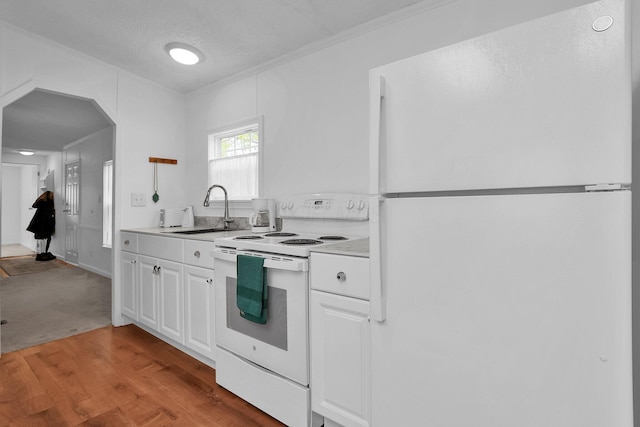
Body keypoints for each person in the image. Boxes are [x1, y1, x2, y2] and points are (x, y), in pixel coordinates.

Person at [26, 191, 56, 261]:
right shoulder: (48, 201)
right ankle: (44, 253)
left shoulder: (41, 201)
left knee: (42, 237)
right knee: (47, 237)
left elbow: (34, 205)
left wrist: (39, 198)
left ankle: (42, 253)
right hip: (45, 221)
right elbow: (51, 210)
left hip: (39, 222)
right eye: (52, 195)